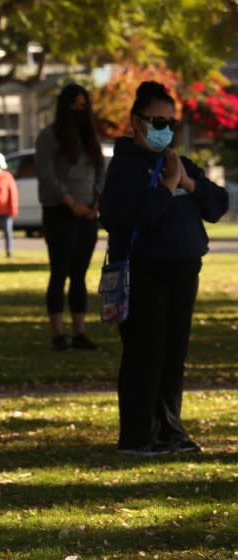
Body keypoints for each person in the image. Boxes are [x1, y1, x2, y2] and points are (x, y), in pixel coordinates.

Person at [99, 81, 228, 457]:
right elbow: (128, 215)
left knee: (173, 353)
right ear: (136, 122)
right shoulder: (124, 167)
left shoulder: (179, 162)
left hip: (184, 268)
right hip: (143, 270)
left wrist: (187, 181)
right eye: (156, 120)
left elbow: (217, 206)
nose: (164, 128)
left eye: (170, 122)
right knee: (145, 352)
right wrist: (168, 187)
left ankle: (170, 429)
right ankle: (139, 436)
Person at [35, 83, 105, 351]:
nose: (80, 109)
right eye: (75, 104)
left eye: (83, 103)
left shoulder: (91, 137)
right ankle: (57, 334)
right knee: (59, 273)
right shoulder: (49, 136)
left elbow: (99, 171)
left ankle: (79, 331)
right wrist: (71, 203)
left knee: (80, 275)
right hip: (59, 213)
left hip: (88, 215)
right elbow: (47, 175)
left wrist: (96, 200)